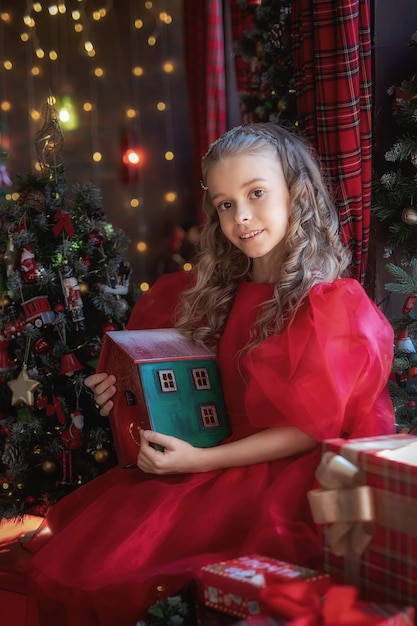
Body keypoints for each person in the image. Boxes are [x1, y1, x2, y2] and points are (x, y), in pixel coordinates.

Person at [22, 123, 395, 626]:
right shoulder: (203, 293)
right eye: (224, 204)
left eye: (256, 193)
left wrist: (201, 462)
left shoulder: (328, 304)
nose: (241, 217)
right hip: (207, 454)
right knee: (106, 549)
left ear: (298, 193)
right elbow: (168, 380)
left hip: (280, 470)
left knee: (166, 573)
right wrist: (123, 393)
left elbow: (310, 429)